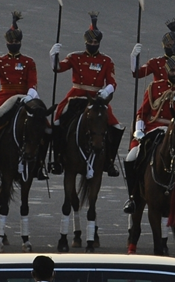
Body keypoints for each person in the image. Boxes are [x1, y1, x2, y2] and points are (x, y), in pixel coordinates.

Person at [125, 55, 175, 216]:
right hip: (155, 128)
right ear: (167, 71)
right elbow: (142, 112)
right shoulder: (154, 87)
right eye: (172, 70)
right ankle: (132, 197)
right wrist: (139, 129)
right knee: (131, 157)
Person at [49, 12, 124, 177]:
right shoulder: (75, 57)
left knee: (115, 126)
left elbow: (112, 82)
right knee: (57, 118)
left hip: (97, 97)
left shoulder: (106, 61)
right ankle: (57, 158)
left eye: (96, 42)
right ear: (85, 42)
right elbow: (59, 68)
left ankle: (109, 161)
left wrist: (106, 91)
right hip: (76, 94)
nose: (93, 44)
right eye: (90, 41)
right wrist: (53, 57)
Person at [0, 12, 40, 178]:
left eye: (16, 41)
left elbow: (32, 82)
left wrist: (31, 95)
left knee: (44, 126)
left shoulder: (28, 61)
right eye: (11, 41)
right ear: (7, 43)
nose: (14, 44)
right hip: (4, 99)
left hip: (24, 98)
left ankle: (40, 164)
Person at [132, 18, 175, 83]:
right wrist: (133, 57)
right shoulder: (156, 63)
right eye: (168, 45)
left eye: (173, 45)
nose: (171, 48)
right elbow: (138, 74)